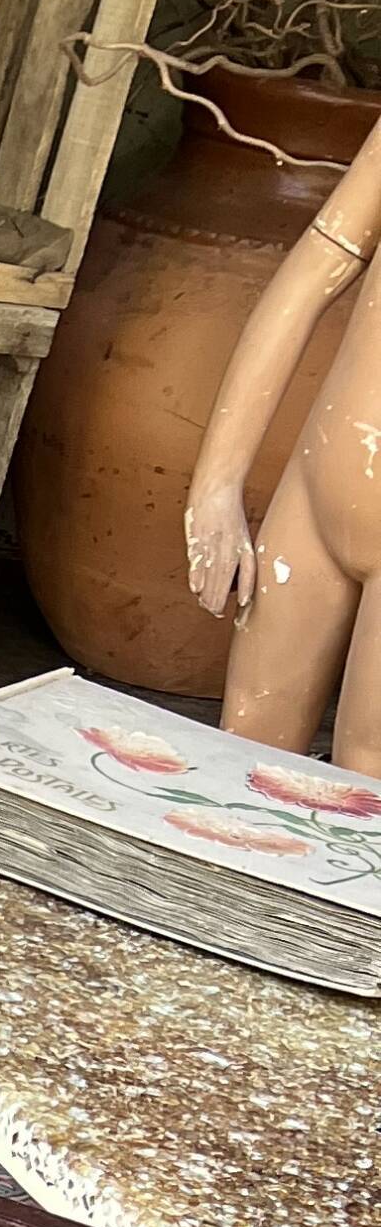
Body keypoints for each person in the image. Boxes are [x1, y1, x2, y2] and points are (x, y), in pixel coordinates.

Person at [183, 105, 381, 776]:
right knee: (245, 753)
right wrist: (214, 486)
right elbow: (310, 272)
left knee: (366, 785)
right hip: (317, 487)